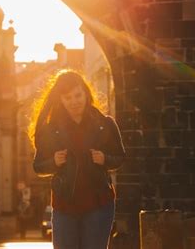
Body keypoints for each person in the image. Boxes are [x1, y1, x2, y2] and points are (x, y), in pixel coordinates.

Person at [30, 69, 125, 249]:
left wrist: (105, 158)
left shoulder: (105, 124)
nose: (74, 101)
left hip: (99, 204)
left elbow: (120, 157)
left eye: (77, 95)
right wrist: (53, 162)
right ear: (61, 100)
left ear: (85, 93)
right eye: (67, 98)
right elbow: (38, 166)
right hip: (65, 205)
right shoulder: (51, 130)